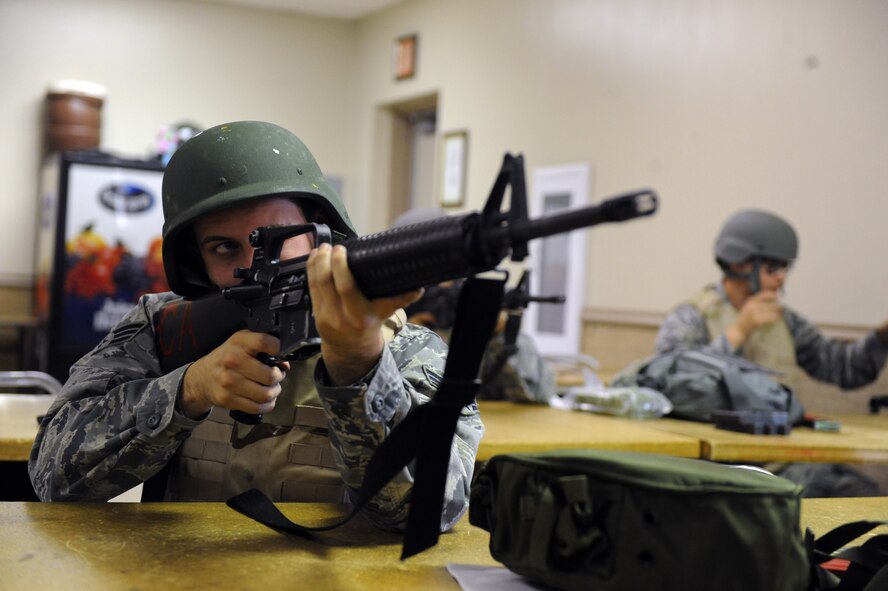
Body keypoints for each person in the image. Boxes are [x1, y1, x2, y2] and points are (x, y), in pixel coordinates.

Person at [29, 121, 484, 532]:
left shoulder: (408, 350)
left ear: (319, 232)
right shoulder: (163, 329)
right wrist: (188, 390)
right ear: (195, 260)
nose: (254, 268)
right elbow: (53, 476)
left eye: (278, 242)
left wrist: (360, 365)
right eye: (225, 248)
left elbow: (429, 513)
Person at [655, 208, 888, 496]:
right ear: (740, 264)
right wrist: (738, 333)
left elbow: (842, 368)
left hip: (782, 458)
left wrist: (882, 336)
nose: (782, 279)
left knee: (860, 494)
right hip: (716, 466)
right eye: (772, 268)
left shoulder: (785, 321)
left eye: (785, 268)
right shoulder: (692, 316)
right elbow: (668, 378)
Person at [391, 207, 556, 404]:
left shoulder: (468, 318)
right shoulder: (379, 319)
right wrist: (404, 340)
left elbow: (540, 392)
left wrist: (499, 333)